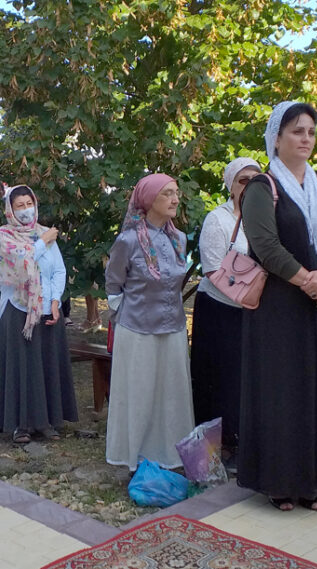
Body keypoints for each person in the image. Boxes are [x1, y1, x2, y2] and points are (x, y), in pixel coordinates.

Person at [238, 102, 317, 511]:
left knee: (314, 386)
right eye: (297, 131)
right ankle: (278, 481)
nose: (306, 139)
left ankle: (311, 478)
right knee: (282, 391)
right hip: (280, 307)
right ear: (277, 138)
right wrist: (311, 283)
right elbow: (266, 247)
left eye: (310, 132)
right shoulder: (260, 187)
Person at [104, 173, 194, 470]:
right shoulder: (128, 241)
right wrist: (123, 317)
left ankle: (170, 453)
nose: (175, 199)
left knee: (171, 393)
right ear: (148, 200)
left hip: (173, 327)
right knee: (140, 392)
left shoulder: (178, 239)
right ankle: (134, 454)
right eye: (167, 194)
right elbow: (113, 284)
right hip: (137, 328)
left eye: (176, 193)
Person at [0, 185, 77, 442]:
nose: (26, 210)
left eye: (29, 203)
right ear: (10, 210)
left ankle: (47, 421)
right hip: (19, 310)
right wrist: (42, 242)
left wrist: (54, 301)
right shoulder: (4, 235)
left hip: (48, 310)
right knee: (22, 367)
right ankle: (20, 425)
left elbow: (58, 270)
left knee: (46, 363)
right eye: (20, 205)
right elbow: (19, 265)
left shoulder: (43, 232)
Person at [191, 157, 261, 463]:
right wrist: (250, 296)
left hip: (254, 310)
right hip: (220, 312)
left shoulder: (266, 219)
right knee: (222, 379)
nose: (248, 186)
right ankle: (221, 446)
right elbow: (213, 270)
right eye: (242, 180)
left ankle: (248, 438)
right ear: (230, 186)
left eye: (255, 180)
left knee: (249, 379)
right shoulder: (216, 220)